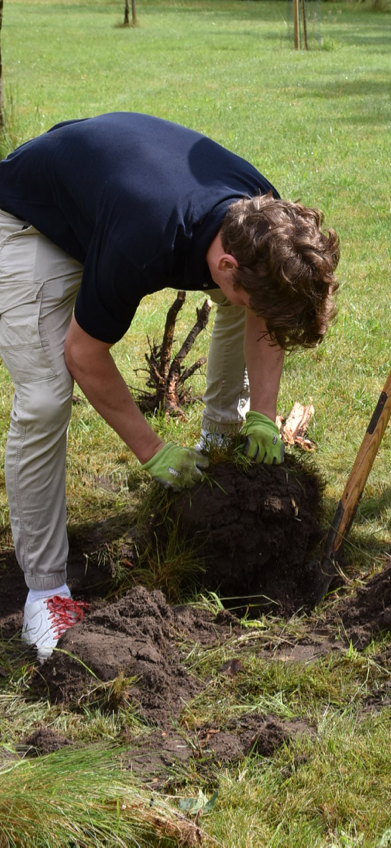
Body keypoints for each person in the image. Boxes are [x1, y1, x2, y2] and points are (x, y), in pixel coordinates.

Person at [0, 112, 339, 659]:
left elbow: (262, 314)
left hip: (107, 191)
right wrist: (151, 450)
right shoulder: (144, 240)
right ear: (224, 263)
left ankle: (221, 439)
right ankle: (45, 594)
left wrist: (264, 413)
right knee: (44, 399)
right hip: (30, 219)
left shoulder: (264, 219)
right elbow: (84, 354)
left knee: (248, 301)